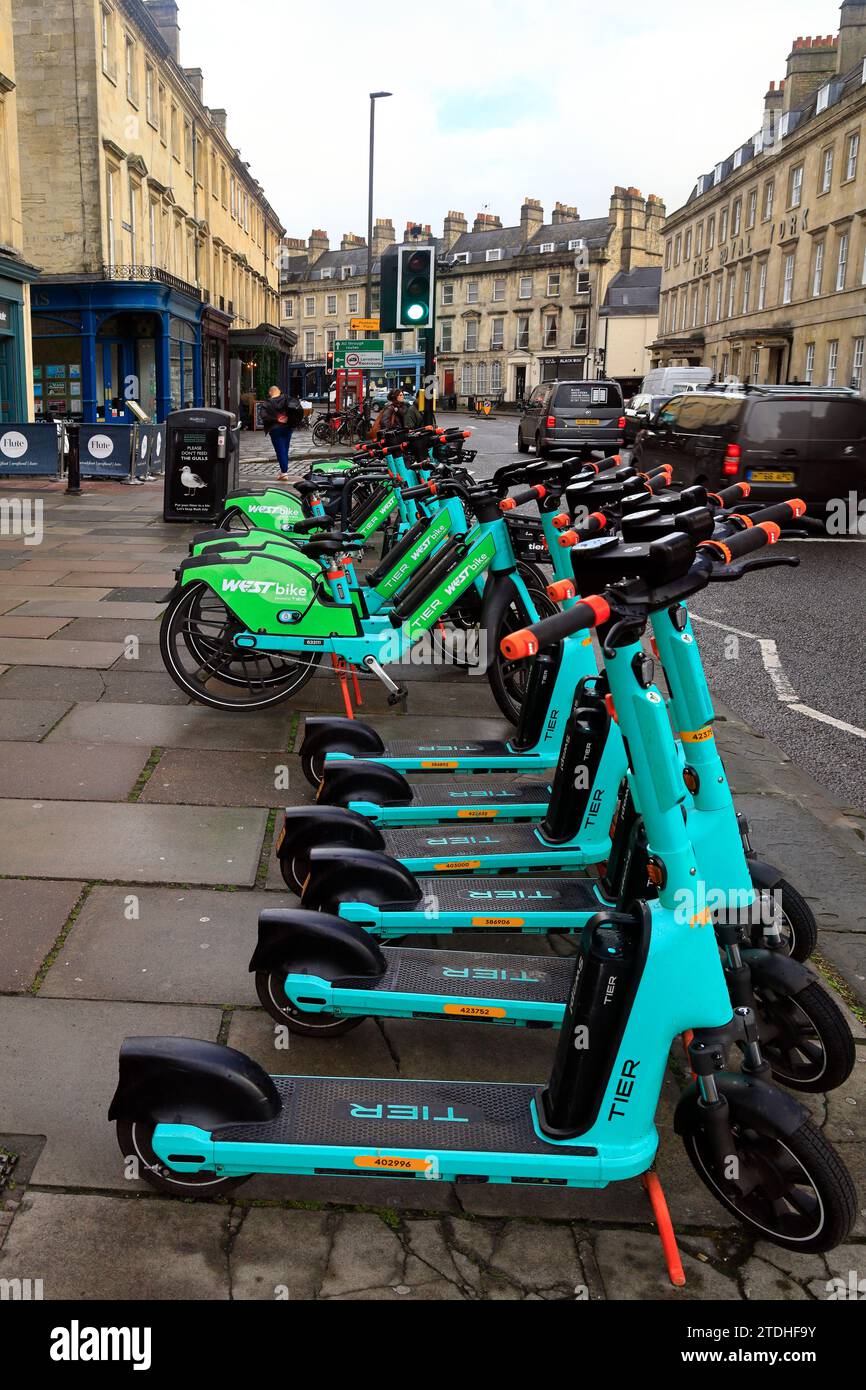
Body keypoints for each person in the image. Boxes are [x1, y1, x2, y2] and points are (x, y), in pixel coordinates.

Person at [260, 385, 302, 478]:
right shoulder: (287, 398)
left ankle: (284, 472)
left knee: (280, 450)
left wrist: (276, 419)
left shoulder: (267, 403)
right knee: (285, 448)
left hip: (275, 429)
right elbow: (296, 408)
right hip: (288, 427)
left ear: (270, 393)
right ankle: (283, 471)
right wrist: (290, 420)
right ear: (279, 391)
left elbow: (263, 416)